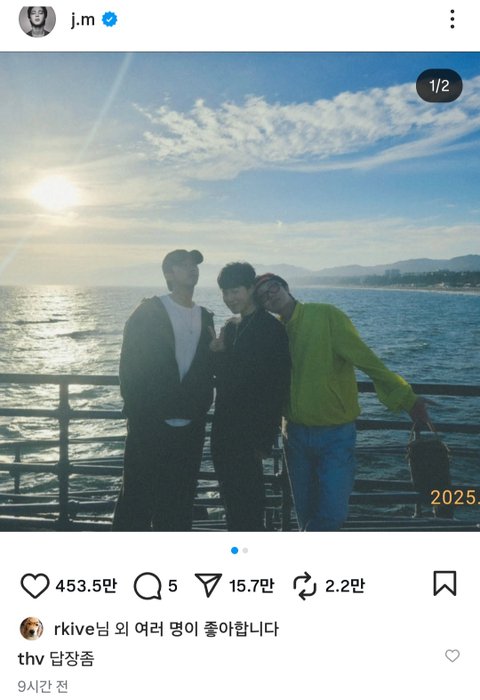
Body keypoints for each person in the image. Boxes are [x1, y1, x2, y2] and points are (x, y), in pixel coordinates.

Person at [254, 273, 431, 532]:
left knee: (333, 512)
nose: (270, 295)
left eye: (273, 288)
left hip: (335, 433)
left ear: (286, 287)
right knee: (305, 510)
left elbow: (366, 359)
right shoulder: (273, 331)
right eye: (262, 296)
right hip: (294, 433)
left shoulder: (326, 315)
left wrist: (407, 398)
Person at [112, 249, 214, 531]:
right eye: (184, 264)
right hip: (150, 424)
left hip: (191, 426)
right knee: (137, 499)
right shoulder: (149, 311)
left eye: (194, 264)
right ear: (169, 274)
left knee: (180, 500)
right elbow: (129, 366)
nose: (192, 268)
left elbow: (206, 367)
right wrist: (139, 415)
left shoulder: (205, 316)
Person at [210, 263, 290, 531]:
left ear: (250, 289)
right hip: (223, 429)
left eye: (235, 291)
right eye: (225, 292)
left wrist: (264, 439)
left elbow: (277, 385)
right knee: (230, 499)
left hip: (250, 434)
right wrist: (216, 353)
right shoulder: (231, 328)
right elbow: (225, 378)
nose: (229, 298)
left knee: (250, 501)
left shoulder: (271, 329)